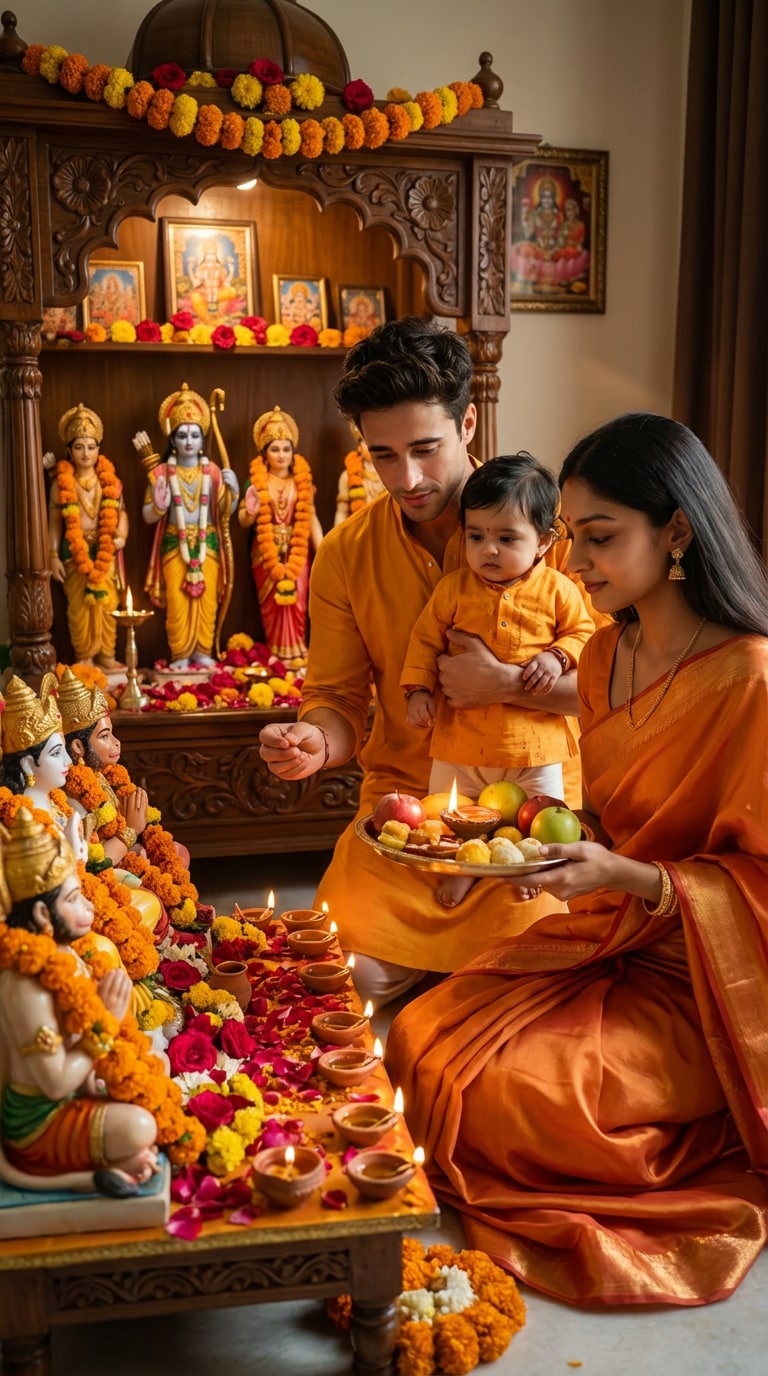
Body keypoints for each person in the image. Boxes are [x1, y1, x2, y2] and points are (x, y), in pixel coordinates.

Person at [386, 412, 768, 1307]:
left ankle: (700, 1118)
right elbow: (611, 815)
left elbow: (755, 882)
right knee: (420, 1040)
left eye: (600, 539)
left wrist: (627, 876)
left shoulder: (750, 677)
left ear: (677, 531)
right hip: (609, 937)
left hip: (710, 977)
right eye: (573, 539)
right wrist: (548, 825)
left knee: (517, 1095)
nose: (578, 563)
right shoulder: (603, 656)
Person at [258, 317, 600, 1005]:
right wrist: (316, 741)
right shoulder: (347, 554)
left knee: (536, 973)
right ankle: (438, 964)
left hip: (529, 812)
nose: (406, 478)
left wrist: (507, 686)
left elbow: (618, 684)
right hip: (408, 816)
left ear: (469, 422)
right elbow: (339, 697)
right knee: (346, 974)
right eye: (382, 455)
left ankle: (467, 968)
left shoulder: (552, 533)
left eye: (424, 448)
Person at [402, 453, 594, 907]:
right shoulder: (453, 589)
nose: (488, 550)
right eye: (476, 536)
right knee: (451, 812)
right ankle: (464, 869)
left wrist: (557, 656)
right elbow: (424, 641)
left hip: (535, 746)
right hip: (460, 741)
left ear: (544, 542)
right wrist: (418, 691)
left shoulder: (559, 591)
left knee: (545, 818)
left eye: (507, 538)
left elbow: (585, 634)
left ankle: (527, 868)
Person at [0, 808, 160, 1198]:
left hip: (76, 1088)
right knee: (141, 1126)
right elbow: (54, 1083)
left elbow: (76, 1041)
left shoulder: (67, 955)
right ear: (42, 912)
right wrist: (106, 1020)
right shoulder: (27, 985)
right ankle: (104, 1165)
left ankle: (118, 1158)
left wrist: (108, 1076)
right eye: (75, 899)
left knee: (157, 1064)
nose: (89, 908)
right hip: (38, 1120)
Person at [134, 383, 240, 671]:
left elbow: (224, 513)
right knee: (178, 604)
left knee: (207, 602)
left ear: (203, 438)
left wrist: (235, 492)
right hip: (173, 546)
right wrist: (158, 504)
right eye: (182, 435)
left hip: (208, 545)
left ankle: (203, 652)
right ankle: (180, 654)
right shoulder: (161, 472)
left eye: (195, 434)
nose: (189, 441)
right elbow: (147, 516)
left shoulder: (214, 472)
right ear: (173, 439)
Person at [239, 406, 323, 670]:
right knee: (272, 604)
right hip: (266, 552)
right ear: (265, 453)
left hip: (298, 552)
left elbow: (311, 518)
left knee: (298, 601)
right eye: (275, 449)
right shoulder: (256, 483)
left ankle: (299, 649)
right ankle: (277, 653)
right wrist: (250, 510)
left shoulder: (302, 483)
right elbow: (243, 520)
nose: (281, 455)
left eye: (286, 449)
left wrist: (324, 550)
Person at [47, 403, 128, 671]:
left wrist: (122, 537)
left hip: (105, 550)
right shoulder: (61, 483)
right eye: (79, 446)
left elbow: (122, 513)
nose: (86, 453)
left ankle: (106, 654)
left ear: (98, 449)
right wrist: (53, 554)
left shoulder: (110, 481)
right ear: (69, 450)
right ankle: (85, 657)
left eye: (91, 446)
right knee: (79, 608)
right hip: (75, 552)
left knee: (108, 604)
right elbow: (55, 523)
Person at [334, 420, 385, 524]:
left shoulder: (391, 473)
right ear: (359, 446)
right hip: (359, 532)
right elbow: (341, 512)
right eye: (365, 442)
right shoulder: (347, 477)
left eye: (374, 441)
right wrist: (337, 538)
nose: (370, 447)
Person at [187, 237, 237, 322]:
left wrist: (231, 271)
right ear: (204, 255)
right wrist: (190, 269)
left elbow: (226, 283)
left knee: (232, 291)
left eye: (213, 254)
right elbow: (196, 283)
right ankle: (206, 318)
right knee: (194, 297)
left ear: (217, 255)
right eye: (207, 254)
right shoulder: (201, 268)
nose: (210, 257)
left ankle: (216, 316)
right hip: (205, 295)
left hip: (218, 295)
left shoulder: (220, 268)